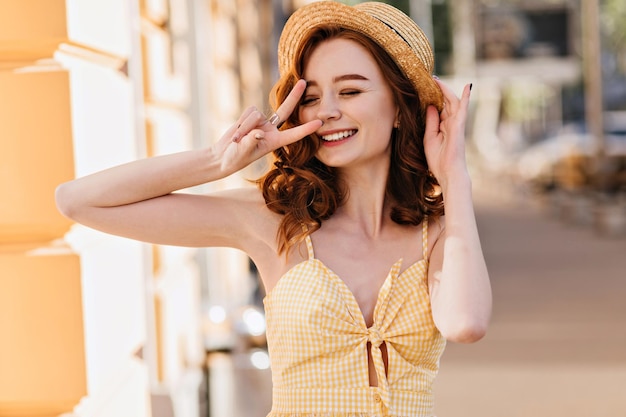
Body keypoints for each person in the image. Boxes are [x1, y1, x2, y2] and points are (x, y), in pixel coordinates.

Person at [56, 1, 492, 416]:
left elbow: (465, 324)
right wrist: (215, 161)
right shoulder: (274, 221)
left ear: (400, 108)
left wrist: (455, 179)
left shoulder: (437, 233)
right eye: (312, 96)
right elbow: (78, 201)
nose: (329, 111)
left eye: (351, 90)